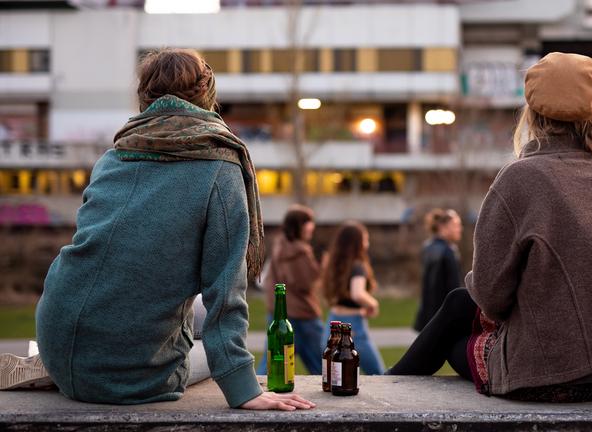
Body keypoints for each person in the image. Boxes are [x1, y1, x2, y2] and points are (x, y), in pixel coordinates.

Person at [0, 49, 314, 411]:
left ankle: (61, 364)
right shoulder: (219, 165)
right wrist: (245, 390)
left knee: (191, 313)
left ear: (146, 94)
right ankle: (101, 365)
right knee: (211, 349)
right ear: (207, 91)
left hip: (58, 329)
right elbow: (224, 291)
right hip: (129, 375)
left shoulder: (115, 155)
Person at [388, 52, 592, 402]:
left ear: (532, 113)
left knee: (456, 331)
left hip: (552, 374)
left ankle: (383, 388)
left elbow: (491, 298)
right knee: (457, 303)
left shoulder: (520, 179)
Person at [256, 204, 324, 375]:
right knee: (322, 364)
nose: (312, 226)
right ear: (299, 225)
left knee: (273, 359)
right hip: (302, 315)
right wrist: (322, 269)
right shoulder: (298, 253)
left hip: (280, 312)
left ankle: (259, 388)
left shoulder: (281, 247)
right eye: (308, 222)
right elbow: (304, 284)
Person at [320, 221, 385, 375]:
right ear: (358, 243)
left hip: (333, 319)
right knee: (378, 373)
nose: (367, 243)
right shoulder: (357, 266)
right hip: (353, 325)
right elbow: (358, 293)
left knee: (332, 371)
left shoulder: (334, 264)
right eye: (365, 239)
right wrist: (373, 304)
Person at [413, 208, 462, 332]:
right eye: (455, 225)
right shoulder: (449, 251)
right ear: (443, 227)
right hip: (445, 318)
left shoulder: (427, 247)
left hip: (428, 316)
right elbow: (454, 289)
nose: (459, 229)